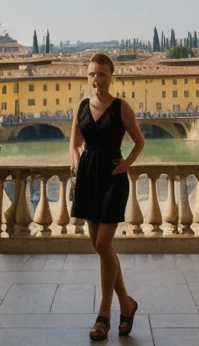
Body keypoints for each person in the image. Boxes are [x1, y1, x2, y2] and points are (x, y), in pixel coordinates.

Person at [70, 52, 145, 341]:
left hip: (113, 179)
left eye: (101, 74)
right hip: (88, 177)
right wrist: (75, 158)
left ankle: (105, 313)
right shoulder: (81, 107)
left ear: (111, 76)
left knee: (103, 244)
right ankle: (127, 303)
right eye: (91, 74)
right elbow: (74, 142)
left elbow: (139, 141)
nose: (96, 80)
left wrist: (127, 163)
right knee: (100, 248)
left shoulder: (121, 107)